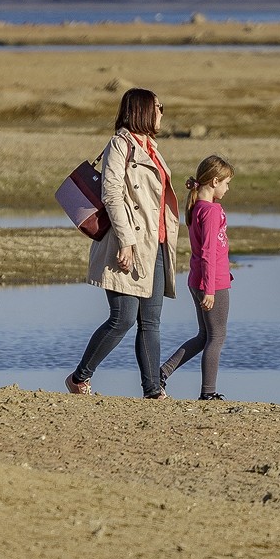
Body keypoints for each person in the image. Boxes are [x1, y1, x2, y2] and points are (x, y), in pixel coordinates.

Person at [66, 88, 179, 399]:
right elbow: (112, 194)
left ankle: (153, 390)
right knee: (123, 318)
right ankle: (79, 378)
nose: (162, 113)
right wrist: (126, 243)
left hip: (154, 245)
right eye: (158, 107)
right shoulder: (120, 144)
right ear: (142, 110)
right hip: (126, 244)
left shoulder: (151, 149)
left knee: (151, 321)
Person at [160, 155, 235, 400]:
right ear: (214, 181)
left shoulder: (198, 207)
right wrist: (211, 289)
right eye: (225, 183)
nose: (227, 188)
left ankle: (162, 372)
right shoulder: (210, 210)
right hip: (211, 282)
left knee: (204, 335)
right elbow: (207, 252)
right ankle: (208, 393)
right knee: (217, 336)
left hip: (199, 280)